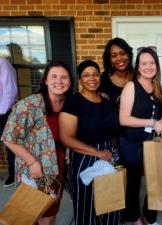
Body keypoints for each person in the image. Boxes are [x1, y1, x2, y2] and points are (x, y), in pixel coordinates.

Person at [1, 60, 73, 225]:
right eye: (54, 76)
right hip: (34, 168)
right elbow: (8, 137)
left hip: (59, 165)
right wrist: (32, 162)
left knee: (51, 210)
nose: (59, 81)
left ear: (70, 82)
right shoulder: (29, 105)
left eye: (64, 77)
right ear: (46, 80)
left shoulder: (69, 105)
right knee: (36, 213)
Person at [59, 60, 121, 225]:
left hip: (110, 156)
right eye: (86, 75)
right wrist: (98, 153)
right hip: (85, 158)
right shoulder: (73, 103)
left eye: (95, 74)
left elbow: (113, 128)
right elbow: (66, 138)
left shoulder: (106, 101)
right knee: (87, 207)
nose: (91, 78)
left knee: (111, 205)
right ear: (79, 79)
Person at [119, 47, 162, 225]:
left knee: (156, 180)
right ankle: (134, 217)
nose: (148, 66)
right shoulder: (132, 86)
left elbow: (158, 114)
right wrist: (152, 123)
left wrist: (160, 124)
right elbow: (123, 119)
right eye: (144, 63)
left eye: (152, 63)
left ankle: (148, 217)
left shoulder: (157, 87)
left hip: (151, 143)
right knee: (134, 183)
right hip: (132, 144)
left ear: (157, 65)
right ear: (138, 67)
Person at [0, 40, 17, 188]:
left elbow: (10, 90)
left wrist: (1, 113)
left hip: (2, 113)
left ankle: (13, 175)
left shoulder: (1, 63)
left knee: (10, 146)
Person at [99, 37, 134, 110]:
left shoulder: (138, 77)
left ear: (129, 55)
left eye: (123, 53)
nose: (119, 58)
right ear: (109, 59)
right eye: (114, 56)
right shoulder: (103, 80)